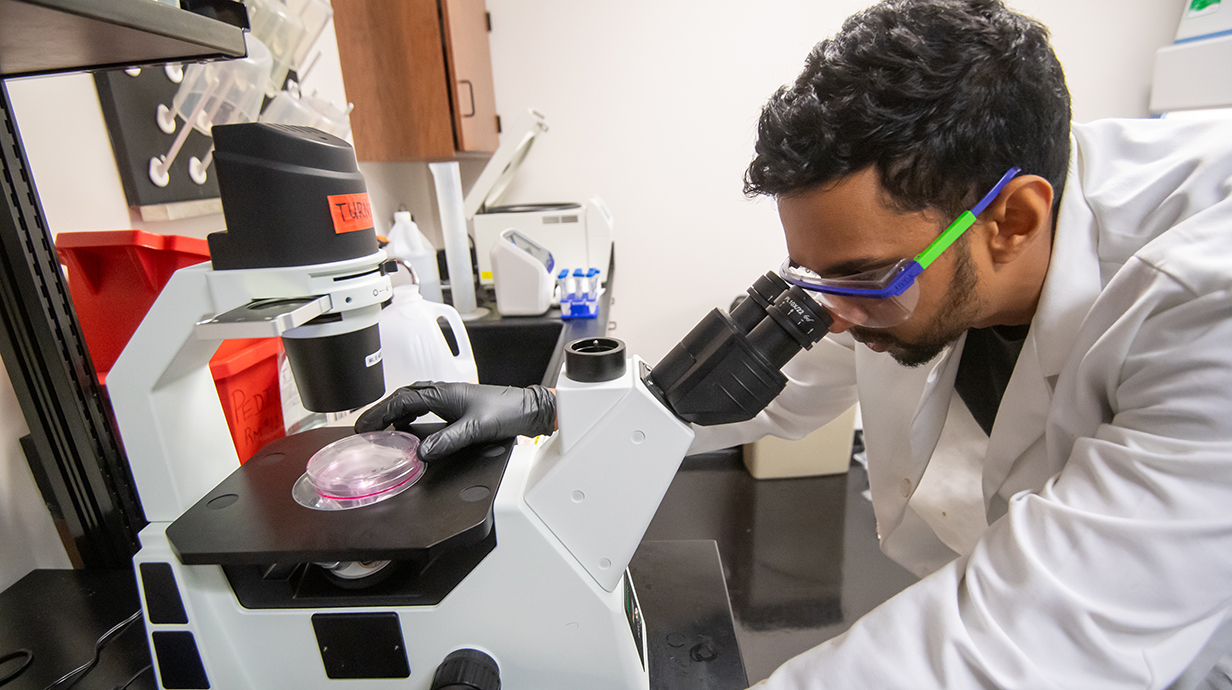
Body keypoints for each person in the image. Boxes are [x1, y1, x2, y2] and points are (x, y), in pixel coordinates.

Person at [358, 0, 1232, 687]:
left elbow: (1033, 636)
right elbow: (757, 386)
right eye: (814, 281)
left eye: (860, 277)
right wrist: (553, 407)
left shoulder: (1201, 300)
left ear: (1012, 220)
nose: (832, 316)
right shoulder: (911, 256)